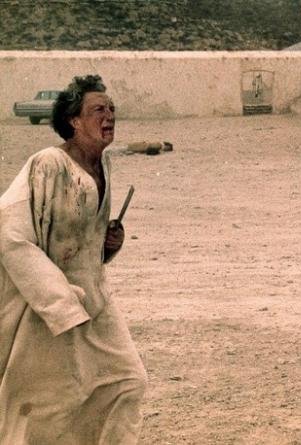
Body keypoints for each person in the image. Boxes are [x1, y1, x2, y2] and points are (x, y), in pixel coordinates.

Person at [0, 74, 147, 444]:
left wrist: (110, 243)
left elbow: (87, 240)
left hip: (96, 299)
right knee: (48, 404)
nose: (109, 115)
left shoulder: (104, 164)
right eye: (98, 110)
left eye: (111, 108)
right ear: (74, 121)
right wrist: (60, 301)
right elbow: (10, 233)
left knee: (128, 381)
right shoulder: (48, 164)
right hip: (50, 308)